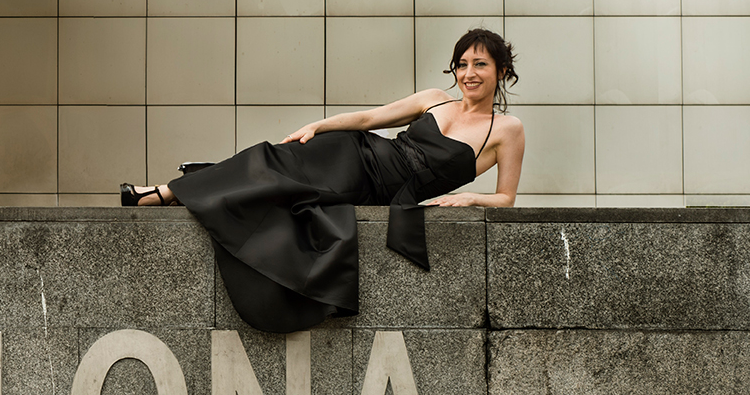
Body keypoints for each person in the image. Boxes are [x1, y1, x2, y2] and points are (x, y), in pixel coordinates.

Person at [121, 27, 526, 333]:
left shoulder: (507, 130)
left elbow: (506, 197)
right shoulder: (435, 98)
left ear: (501, 71)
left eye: (480, 64)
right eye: (462, 64)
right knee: (269, 158)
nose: (468, 73)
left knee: (277, 181)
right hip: (355, 152)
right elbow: (370, 119)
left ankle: (177, 190)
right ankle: (166, 191)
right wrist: (319, 125)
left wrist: (472, 198)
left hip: (381, 190)